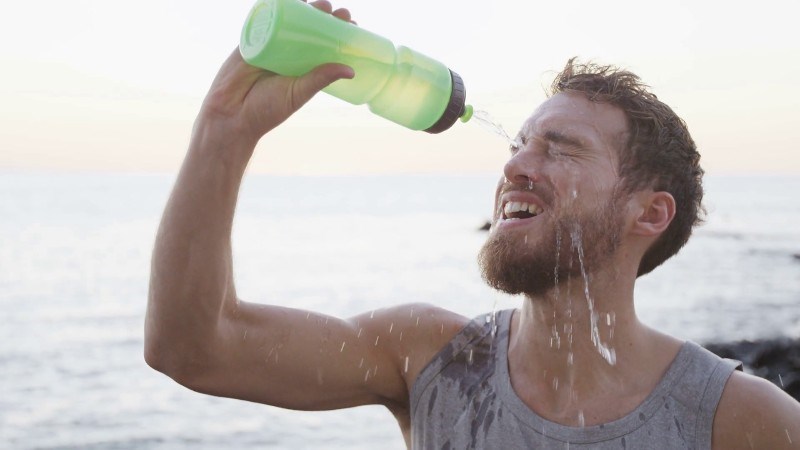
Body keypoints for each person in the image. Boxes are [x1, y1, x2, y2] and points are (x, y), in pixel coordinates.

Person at [144, 1, 800, 448]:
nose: (514, 165)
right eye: (518, 144)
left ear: (648, 212)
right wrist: (223, 130)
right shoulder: (428, 357)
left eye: (561, 149)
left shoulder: (739, 418)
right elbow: (192, 348)